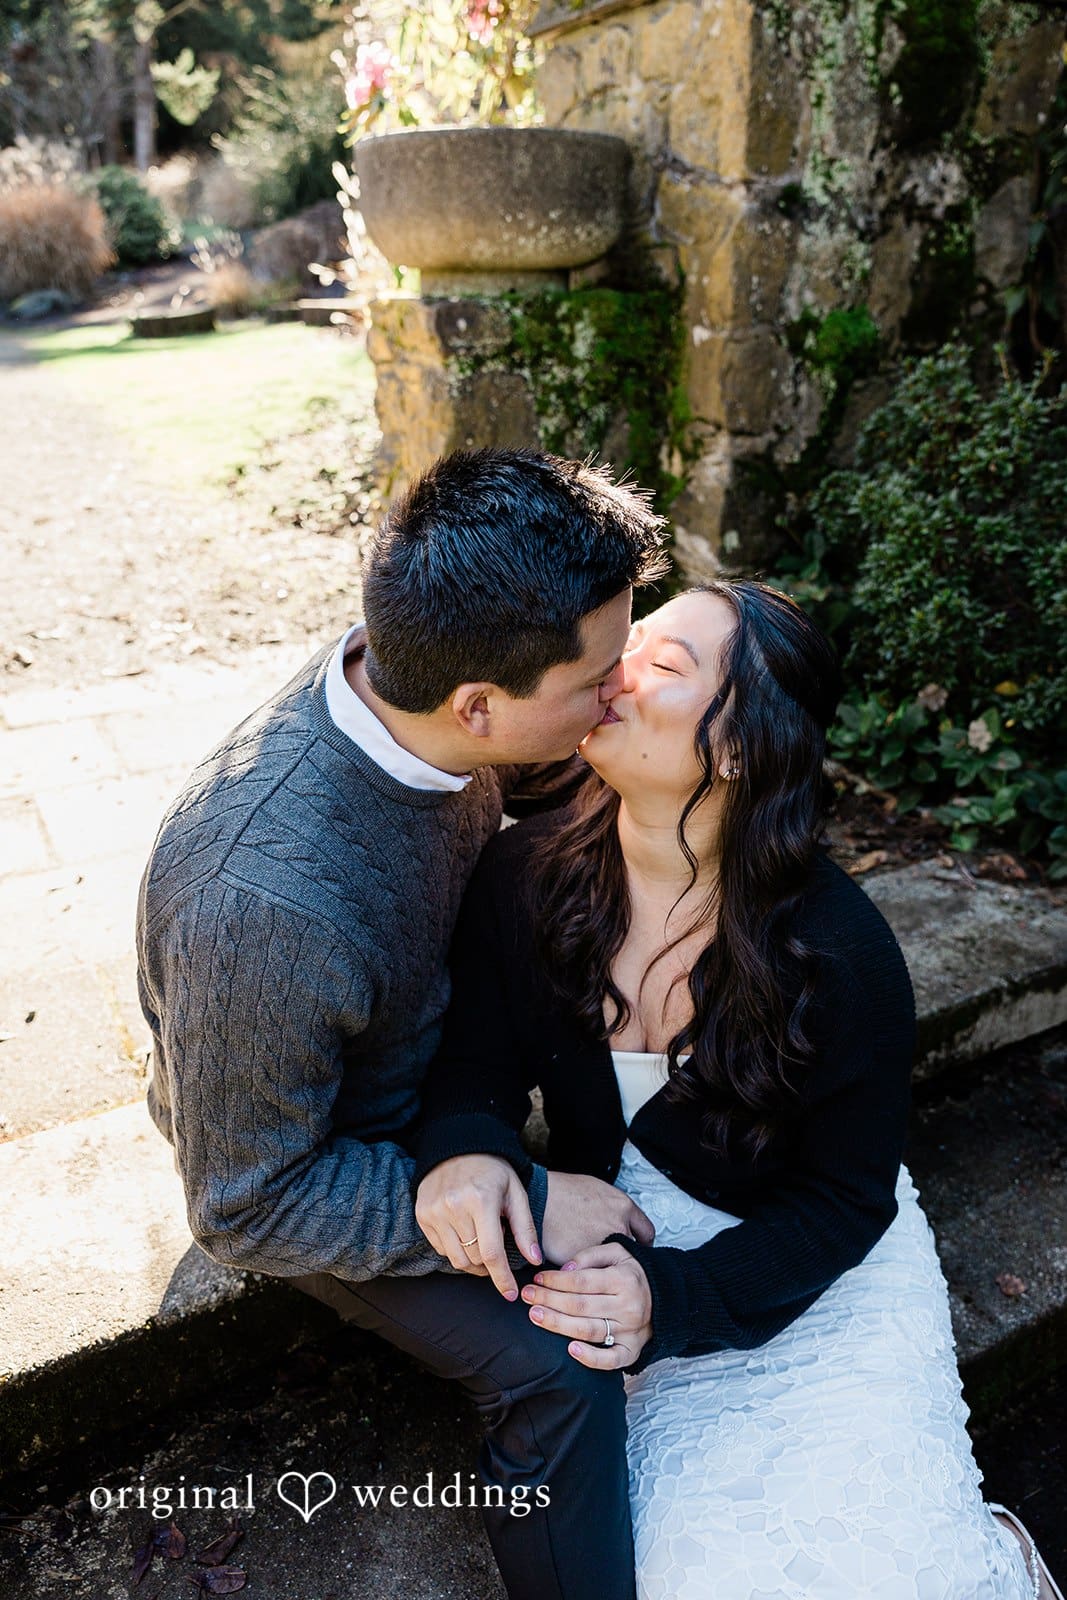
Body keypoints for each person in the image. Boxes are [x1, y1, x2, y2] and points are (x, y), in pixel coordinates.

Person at [412, 579, 1061, 1599]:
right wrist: (468, 1147)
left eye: (659, 664)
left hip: (798, 1267)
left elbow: (844, 1200)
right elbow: (472, 1069)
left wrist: (670, 1300)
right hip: (615, 1235)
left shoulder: (841, 954)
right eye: (625, 644)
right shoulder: (522, 875)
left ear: (738, 747)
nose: (606, 670)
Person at [135, 446, 672, 1600]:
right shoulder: (264, 906)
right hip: (332, 1151)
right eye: (595, 679)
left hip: (444, 1062)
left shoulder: (422, 671)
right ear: (479, 705)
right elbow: (243, 1199)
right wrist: (520, 1198)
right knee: (564, 1366)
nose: (617, 691)